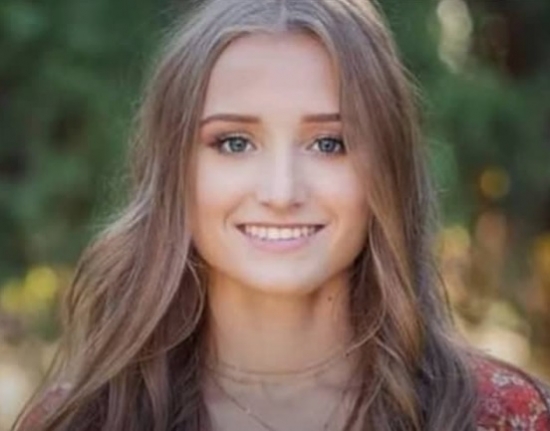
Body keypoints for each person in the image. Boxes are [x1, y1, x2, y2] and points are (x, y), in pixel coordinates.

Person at [13, 0, 550, 430]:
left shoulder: (504, 418)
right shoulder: (84, 420)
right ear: (174, 170)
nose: (281, 191)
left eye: (329, 143)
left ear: (387, 172)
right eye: (234, 142)